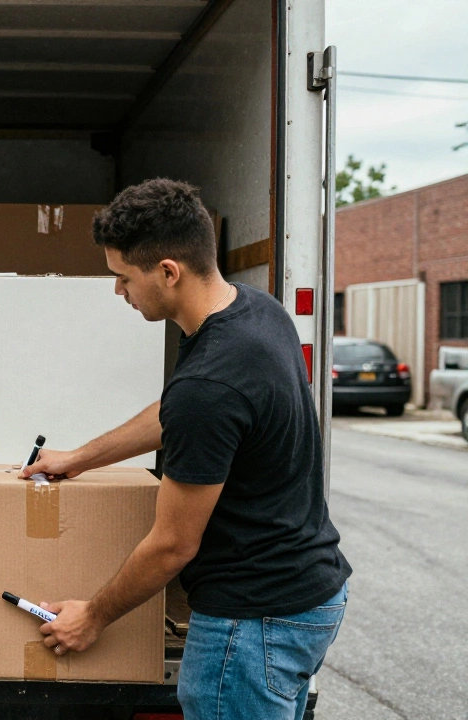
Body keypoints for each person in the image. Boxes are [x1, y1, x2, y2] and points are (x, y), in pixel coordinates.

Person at [20, 179, 351, 720]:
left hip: (253, 625)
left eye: (124, 277)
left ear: (168, 272)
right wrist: (78, 458)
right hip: (310, 592)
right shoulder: (256, 312)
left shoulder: (211, 386)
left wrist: (93, 617)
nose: (118, 291)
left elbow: (172, 545)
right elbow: (176, 409)